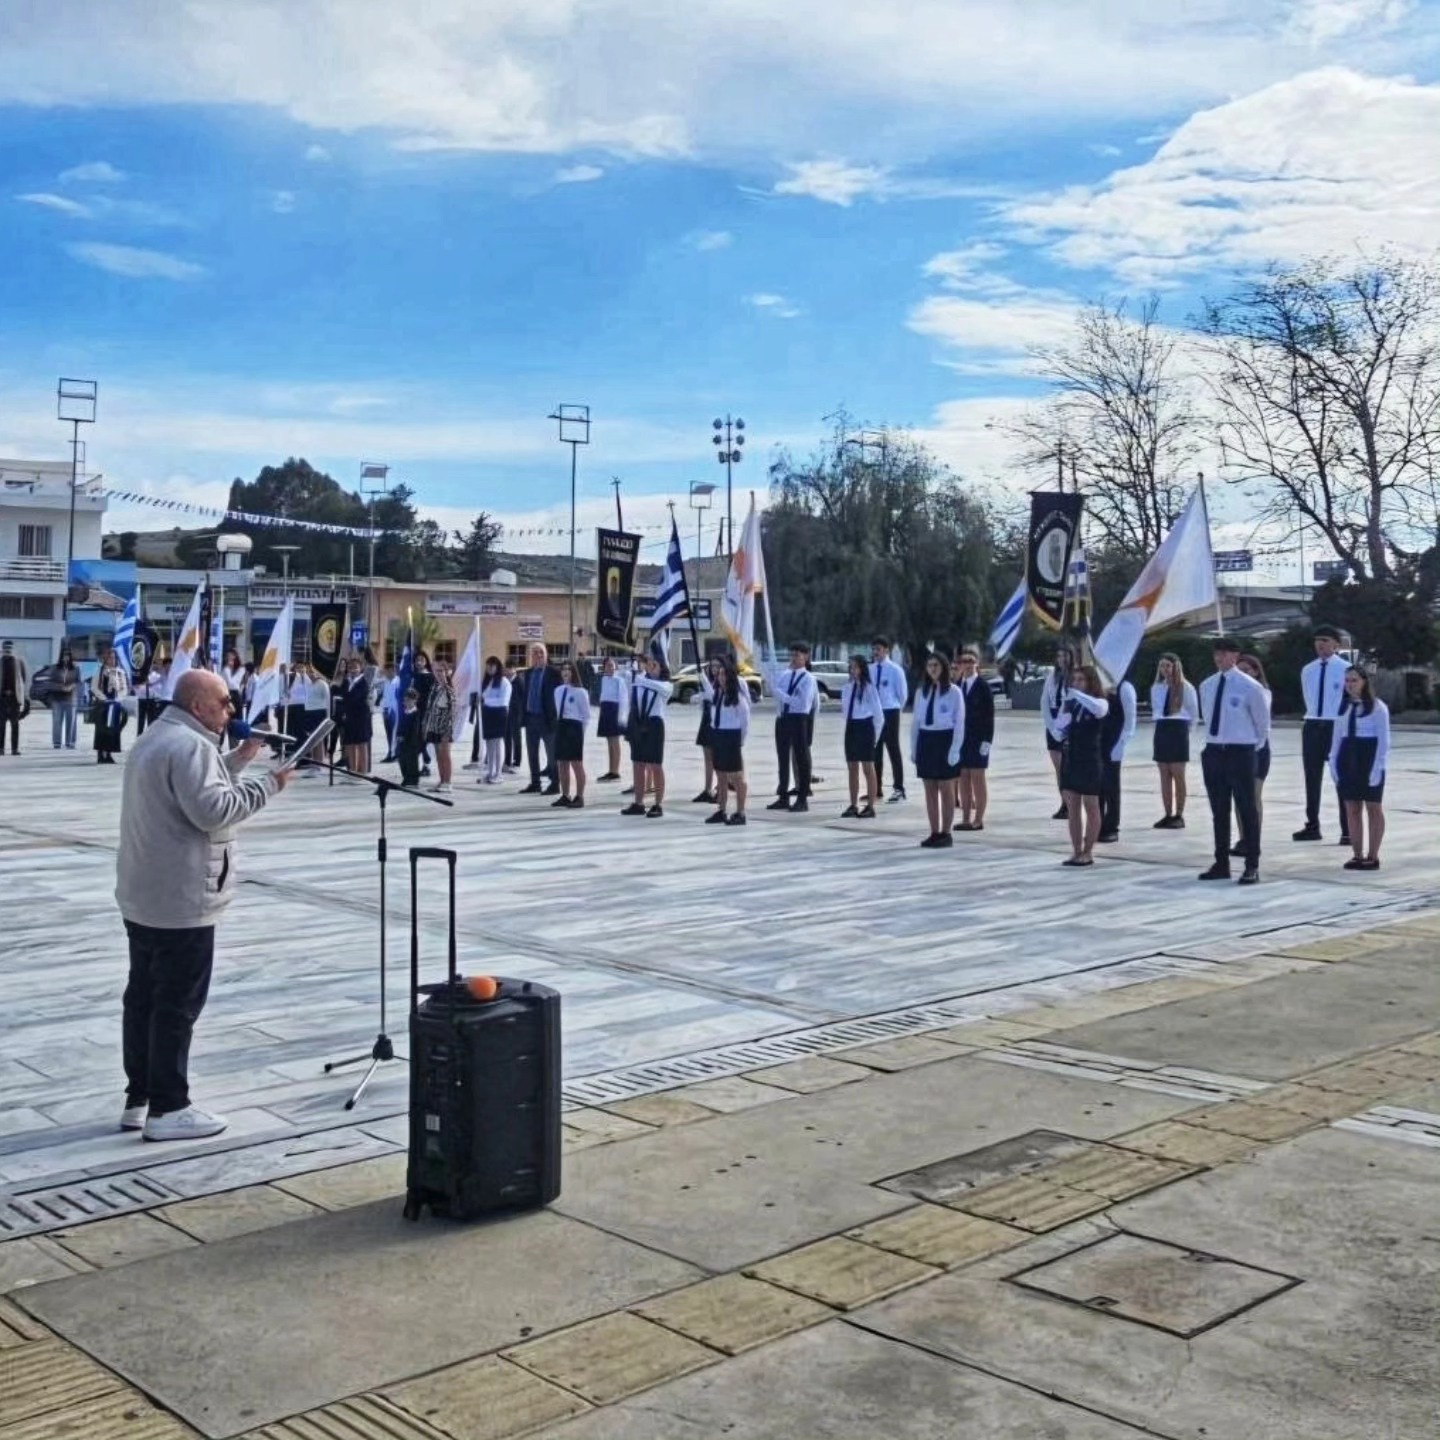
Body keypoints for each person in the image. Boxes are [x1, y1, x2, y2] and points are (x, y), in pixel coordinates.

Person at [115, 669, 294, 1141]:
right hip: (182, 898)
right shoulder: (191, 746)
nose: (231, 710)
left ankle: (140, 1096)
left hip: (145, 894)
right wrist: (269, 785)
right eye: (224, 701)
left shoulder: (160, 736)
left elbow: (193, 789)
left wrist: (239, 759)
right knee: (176, 1005)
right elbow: (213, 810)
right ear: (197, 705)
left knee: (144, 998)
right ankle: (169, 1107)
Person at [1197, 636, 1270, 885]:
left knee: (1247, 808)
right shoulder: (1207, 685)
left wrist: (1249, 749)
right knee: (1219, 810)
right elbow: (1207, 717)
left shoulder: (1250, 687)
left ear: (1235, 656)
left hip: (1240, 752)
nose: (1219, 658)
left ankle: (1252, 864)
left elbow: (1262, 725)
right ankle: (1221, 862)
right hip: (1214, 751)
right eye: (1216, 653)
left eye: (1225, 653)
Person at [1330, 665, 1389, 871]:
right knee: (1352, 808)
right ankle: (1357, 855)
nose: (1350, 684)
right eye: (1347, 680)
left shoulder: (1378, 707)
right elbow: (1337, 737)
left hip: (1368, 757)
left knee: (1373, 807)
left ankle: (1373, 856)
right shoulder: (1343, 707)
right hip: (1348, 758)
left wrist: (1378, 767)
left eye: (1354, 680)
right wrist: (1333, 762)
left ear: (1364, 682)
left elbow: (1384, 741)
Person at [1296, 624, 1350, 845]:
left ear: (1336, 644)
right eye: (1317, 640)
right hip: (1312, 724)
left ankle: (1347, 829)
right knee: (1311, 777)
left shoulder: (1346, 669)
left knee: (1341, 778)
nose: (1320, 644)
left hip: (1335, 725)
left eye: (1325, 640)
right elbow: (1307, 696)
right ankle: (1312, 825)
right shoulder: (1308, 669)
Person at [1054, 665, 1109, 866]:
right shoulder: (1073, 704)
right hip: (1072, 757)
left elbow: (1099, 709)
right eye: (1074, 680)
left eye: (1081, 680)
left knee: (1091, 805)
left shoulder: (1100, 702)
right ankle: (1076, 850)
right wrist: (1064, 707)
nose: (1076, 683)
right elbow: (1058, 730)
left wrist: (1076, 695)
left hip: (1090, 759)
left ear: (1090, 682)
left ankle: (1088, 851)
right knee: (1073, 806)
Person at [911, 651, 965, 848]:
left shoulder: (953, 692)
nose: (932, 669)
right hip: (926, 740)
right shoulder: (921, 692)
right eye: (929, 665)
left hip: (945, 740)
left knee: (946, 788)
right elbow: (916, 722)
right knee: (930, 789)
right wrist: (914, 748)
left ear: (943, 668)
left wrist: (955, 749)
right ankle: (934, 831)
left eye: (936, 665)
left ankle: (946, 832)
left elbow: (959, 722)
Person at [767, 642, 817, 814]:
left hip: (799, 719)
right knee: (782, 758)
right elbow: (776, 693)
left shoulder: (809, 679)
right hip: (783, 718)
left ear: (806, 657)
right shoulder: (785, 676)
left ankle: (802, 798)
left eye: (797, 655)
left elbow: (802, 703)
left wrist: (783, 696)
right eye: (792, 655)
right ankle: (783, 796)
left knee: (801, 758)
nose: (793, 658)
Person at [1150, 653, 1198, 829]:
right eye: (1162, 666)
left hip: (1178, 728)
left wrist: (1186, 733)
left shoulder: (1186, 687)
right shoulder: (1157, 687)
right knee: (1164, 774)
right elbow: (1156, 709)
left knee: (1178, 774)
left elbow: (1194, 713)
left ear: (1176, 666)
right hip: (1162, 728)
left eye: (1168, 666)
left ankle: (1179, 814)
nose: (1165, 669)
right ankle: (1167, 813)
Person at [1231, 653, 1272, 858]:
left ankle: (1254, 839)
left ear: (1256, 672)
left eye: (1246, 670)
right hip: (1238, 748)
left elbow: (1262, 724)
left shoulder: (1261, 692)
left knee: (1253, 796)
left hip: (1258, 748)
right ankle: (1243, 838)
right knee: (1238, 796)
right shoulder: (1232, 691)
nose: (1243, 674)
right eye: (1239, 671)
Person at [703, 654, 751, 825]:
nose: (721, 677)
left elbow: (745, 721)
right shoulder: (717, 693)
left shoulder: (737, 696)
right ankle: (721, 809)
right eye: (719, 674)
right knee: (721, 775)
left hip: (732, 737)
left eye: (724, 674)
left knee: (736, 777)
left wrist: (740, 741)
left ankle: (741, 812)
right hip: (719, 735)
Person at [623, 650, 672, 817]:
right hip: (639, 722)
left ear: (661, 667)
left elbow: (658, 688)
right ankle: (638, 803)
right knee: (638, 764)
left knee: (655, 765)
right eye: (649, 663)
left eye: (655, 664)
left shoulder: (665, 685)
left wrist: (641, 679)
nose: (651, 666)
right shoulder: (640, 680)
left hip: (655, 724)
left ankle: (658, 804)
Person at [840, 653, 885, 818]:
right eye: (850, 667)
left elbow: (879, 716)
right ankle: (853, 804)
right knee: (852, 767)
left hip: (865, 727)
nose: (852, 670)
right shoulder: (847, 687)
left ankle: (871, 806)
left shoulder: (869, 688)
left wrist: (875, 738)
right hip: (851, 726)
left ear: (862, 668)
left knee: (868, 767)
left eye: (855, 667)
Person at [954, 648, 994, 831]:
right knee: (963, 778)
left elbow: (989, 716)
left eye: (971, 661)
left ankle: (978, 819)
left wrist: (987, 741)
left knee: (977, 778)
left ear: (977, 663)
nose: (967, 664)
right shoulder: (957, 686)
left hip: (978, 739)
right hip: (962, 739)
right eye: (964, 661)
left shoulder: (982, 686)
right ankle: (965, 818)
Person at [1097, 671, 1137, 844]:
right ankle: (1096, 823)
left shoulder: (1125, 687)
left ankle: (1112, 825)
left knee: (1111, 787)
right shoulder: (1099, 686)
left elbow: (1130, 721)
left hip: (1113, 742)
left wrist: (1121, 744)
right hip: (1097, 741)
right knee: (1096, 787)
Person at [869, 637, 909, 803]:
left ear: (887, 650)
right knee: (875, 751)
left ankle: (899, 788)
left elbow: (903, 694)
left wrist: (895, 708)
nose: (875, 652)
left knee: (893, 749)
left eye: (878, 649)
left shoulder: (895, 670)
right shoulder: (870, 669)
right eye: (874, 649)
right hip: (874, 713)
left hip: (890, 711)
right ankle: (876, 787)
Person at [519, 643, 562, 795]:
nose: (538, 655)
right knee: (532, 753)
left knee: (552, 753)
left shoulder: (554, 673)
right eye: (535, 653)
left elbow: (559, 695)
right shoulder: (528, 673)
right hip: (531, 718)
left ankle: (555, 784)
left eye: (541, 652)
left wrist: (557, 717)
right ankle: (535, 783)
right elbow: (525, 695)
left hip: (547, 719)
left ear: (546, 655)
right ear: (530, 656)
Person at [551, 660, 592, 808]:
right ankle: (565, 795)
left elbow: (586, 716)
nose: (566, 672)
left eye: (569, 669)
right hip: (561, 725)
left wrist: (580, 734)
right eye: (563, 669)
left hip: (574, 728)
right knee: (562, 763)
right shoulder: (558, 691)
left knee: (576, 764)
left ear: (573, 672)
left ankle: (579, 796)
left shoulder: (581, 692)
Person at [1041, 645, 1074, 820]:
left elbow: (1070, 702)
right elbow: (1044, 701)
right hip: (1053, 721)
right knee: (1059, 768)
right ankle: (1064, 803)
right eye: (1059, 656)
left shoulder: (1075, 676)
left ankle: (1072, 803)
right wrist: (1051, 725)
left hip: (1068, 721)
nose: (1062, 659)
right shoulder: (1052, 676)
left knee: (1068, 767)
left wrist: (1062, 726)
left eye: (1065, 656)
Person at [477, 656, 512, 784]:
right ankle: (490, 771)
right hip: (487, 714)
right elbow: (483, 696)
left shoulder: (504, 682)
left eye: (492, 666)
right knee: (489, 744)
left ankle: (498, 773)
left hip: (499, 714)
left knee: (497, 743)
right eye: (488, 666)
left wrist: (485, 700)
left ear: (497, 667)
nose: (489, 668)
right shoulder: (487, 681)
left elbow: (503, 701)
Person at [92, 647, 129, 764]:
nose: (112, 660)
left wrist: (118, 699)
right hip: (103, 705)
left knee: (113, 729)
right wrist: (104, 698)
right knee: (102, 730)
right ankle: (100, 754)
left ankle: (109, 753)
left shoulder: (120, 672)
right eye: (110, 658)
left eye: (114, 658)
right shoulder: (100, 671)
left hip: (115, 705)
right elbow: (94, 687)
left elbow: (124, 689)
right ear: (105, 659)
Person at [337, 656, 373, 773]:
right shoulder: (346, 681)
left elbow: (356, 697)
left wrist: (346, 697)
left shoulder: (363, 682)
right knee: (350, 743)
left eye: (355, 667)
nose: (353, 670)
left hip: (361, 717)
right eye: (350, 667)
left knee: (362, 743)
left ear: (361, 668)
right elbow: (341, 695)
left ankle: (363, 770)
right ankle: (352, 769)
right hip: (349, 717)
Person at [595, 655, 628, 782]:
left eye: (612, 665)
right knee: (609, 742)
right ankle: (611, 770)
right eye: (608, 665)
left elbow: (623, 699)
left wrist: (621, 717)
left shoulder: (619, 680)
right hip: (605, 709)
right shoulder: (603, 679)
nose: (610, 668)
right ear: (604, 667)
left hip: (614, 710)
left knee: (615, 741)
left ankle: (616, 771)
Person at [693, 656, 720, 805]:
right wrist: (698, 697)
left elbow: (713, 695)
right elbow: (706, 696)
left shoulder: (723, 682)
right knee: (707, 759)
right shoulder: (710, 681)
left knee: (718, 759)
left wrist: (702, 679)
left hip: (717, 723)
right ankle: (707, 789)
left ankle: (721, 789)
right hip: (706, 719)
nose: (714, 669)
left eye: (717, 666)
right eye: (712, 666)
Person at [49, 646, 81, 750]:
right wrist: (60, 687)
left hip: (71, 699)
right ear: (61, 657)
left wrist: (71, 686)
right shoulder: (55, 668)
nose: (66, 658)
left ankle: (70, 742)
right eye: (64, 655)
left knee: (71, 721)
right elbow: (50, 682)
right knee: (57, 721)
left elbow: (78, 682)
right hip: (57, 699)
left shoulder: (76, 669)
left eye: (68, 656)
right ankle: (57, 742)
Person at [0, 640, 28, 755]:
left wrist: (21, 694)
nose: (8, 650)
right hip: (1, 698)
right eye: (5, 648)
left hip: (14, 698)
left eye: (9, 648)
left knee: (15, 724)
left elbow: (23, 679)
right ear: (2, 649)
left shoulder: (19, 662)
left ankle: (14, 749)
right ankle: (1, 749)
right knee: (1, 725)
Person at [396, 687, 424, 787]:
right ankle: (406, 777)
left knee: (412, 761)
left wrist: (406, 737)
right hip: (402, 741)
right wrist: (399, 735)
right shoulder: (404, 712)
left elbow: (415, 730)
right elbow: (400, 725)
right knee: (402, 760)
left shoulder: (416, 713)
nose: (407, 702)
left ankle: (413, 780)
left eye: (409, 700)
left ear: (415, 700)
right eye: (406, 700)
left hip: (412, 742)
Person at [504, 662, 524, 773]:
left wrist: (521, 713)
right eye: (506, 668)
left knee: (516, 738)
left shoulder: (519, 681)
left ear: (514, 669)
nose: (508, 671)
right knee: (507, 738)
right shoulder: (505, 681)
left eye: (510, 668)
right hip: (506, 714)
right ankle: (507, 760)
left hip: (516, 714)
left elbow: (522, 698)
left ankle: (517, 761)